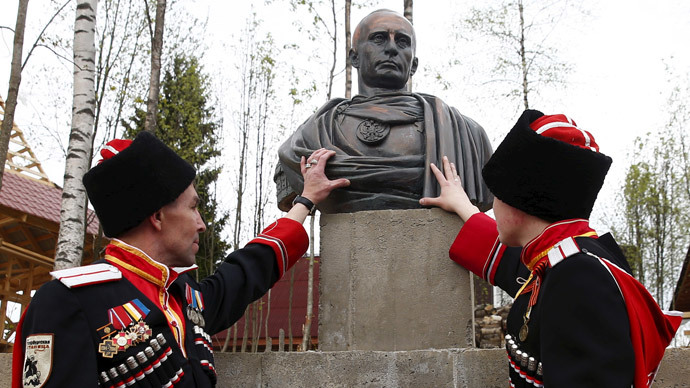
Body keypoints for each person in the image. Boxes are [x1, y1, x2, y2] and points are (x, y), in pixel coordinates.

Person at [11, 131, 349, 388]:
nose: (201, 222)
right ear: (157, 217)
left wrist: (305, 201)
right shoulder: (68, 301)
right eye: (192, 207)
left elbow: (247, 271)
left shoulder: (181, 298)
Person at [420, 110, 682, 388]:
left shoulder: (578, 277)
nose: (493, 207)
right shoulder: (572, 260)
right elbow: (522, 272)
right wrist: (464, 207)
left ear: (521, 202)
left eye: (497, 195)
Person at [276, 9, 493, 214]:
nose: (391, 48)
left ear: (414, 64)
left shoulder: (466, 135)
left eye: (402, 41)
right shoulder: (310, 136)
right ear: (354, 58)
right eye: (379, 38)